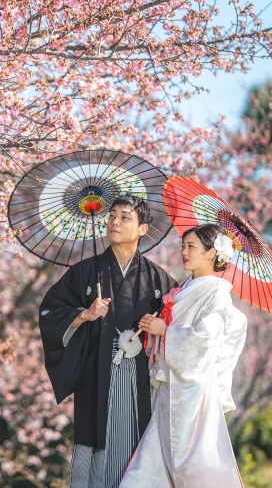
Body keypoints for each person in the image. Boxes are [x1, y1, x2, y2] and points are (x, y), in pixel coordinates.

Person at [38, 193, 178, 488]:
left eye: (125, 217)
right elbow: (51, 311)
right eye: (111, 215)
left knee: (137, 443)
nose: (114, 221)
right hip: (97, 374)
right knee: (96, 448)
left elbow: (178, 321)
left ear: (142, 229)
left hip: (141, 376)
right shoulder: (84, 272)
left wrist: (160, 326)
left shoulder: (157, 278)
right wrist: (84, 315)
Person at [119, 223, 247, 488]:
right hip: (172, 387)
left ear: (212, 253)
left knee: (191, 467)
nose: (184, 252)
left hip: (194, 394)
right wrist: (155, 329)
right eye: (183, 246)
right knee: (152, 467)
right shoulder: (187, 288)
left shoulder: (217, 293)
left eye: (192, 247)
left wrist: (166, 329)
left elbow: (206, 337)